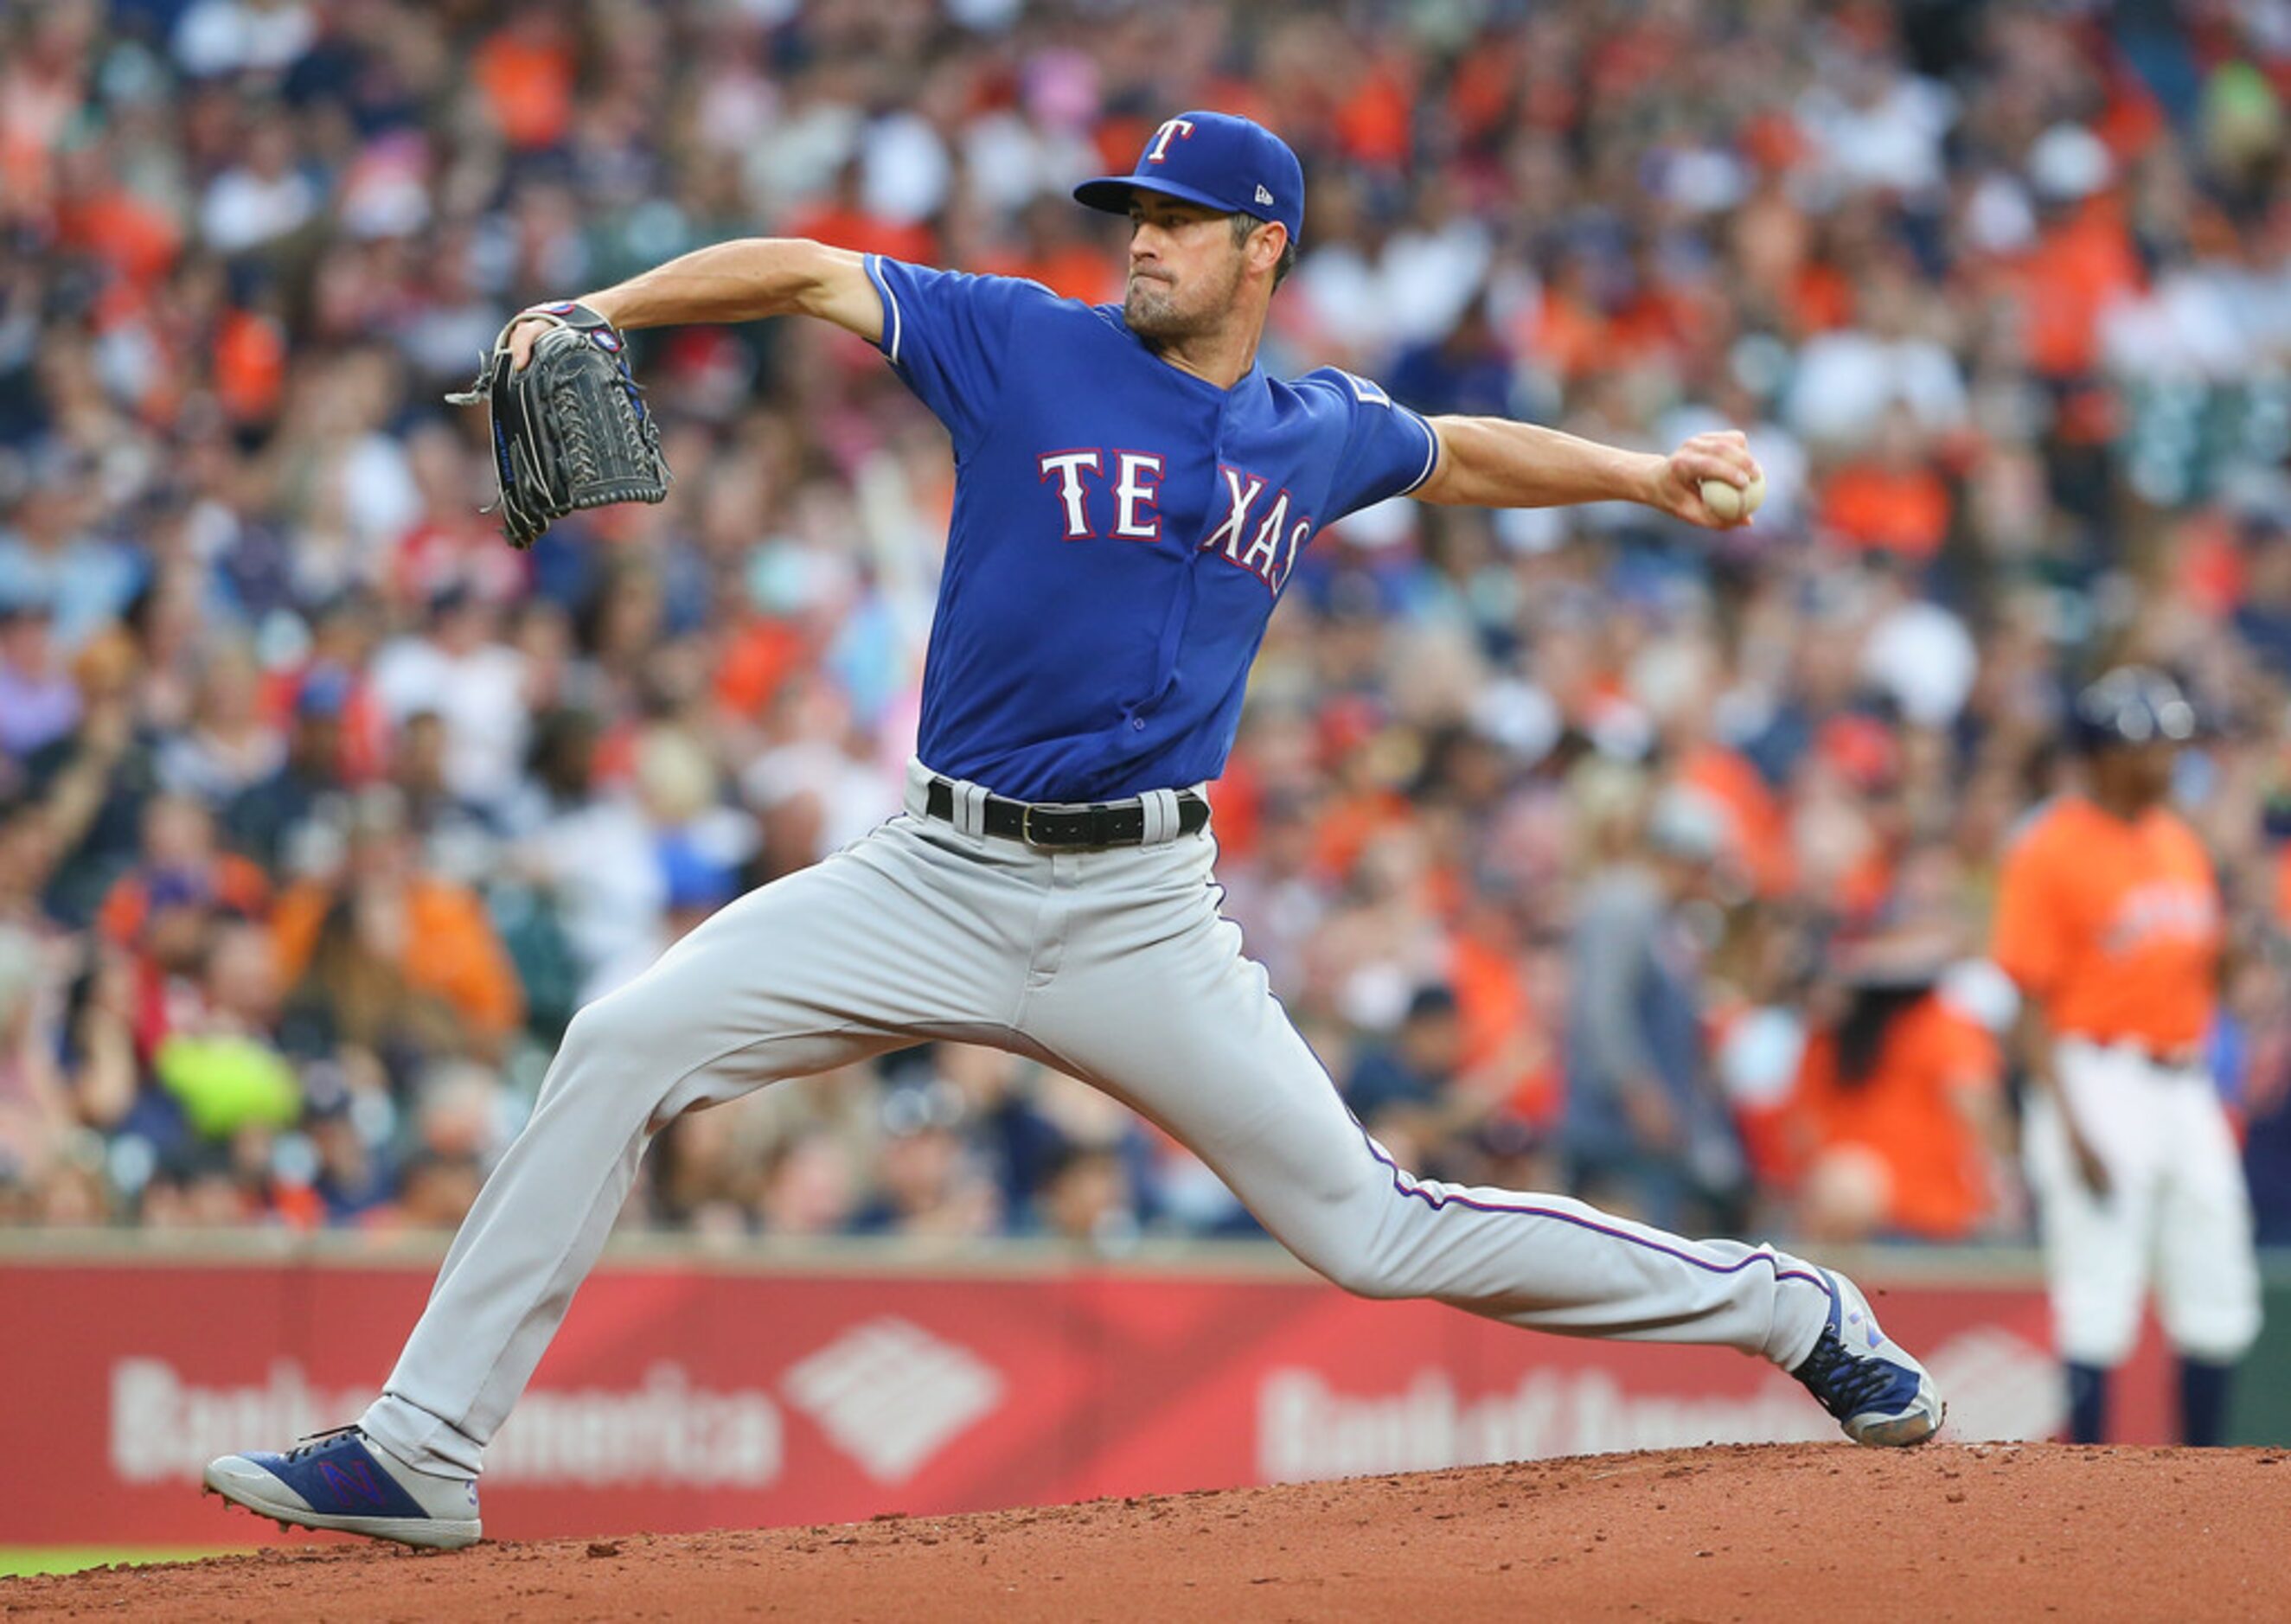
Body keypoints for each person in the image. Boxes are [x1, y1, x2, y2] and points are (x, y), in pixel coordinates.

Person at [203, 111, 1942, 1550]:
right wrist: (601, 303)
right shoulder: (1019, 340)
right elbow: (808, 269)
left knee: (1370, 1233)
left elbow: (1456, 452)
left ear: (1263, 248)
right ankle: (426, 1443)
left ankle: (1794, 1314)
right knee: (624, 1037)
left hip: (1141, 920)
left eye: (1180, 219)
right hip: (933, 873)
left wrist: (1637, 473)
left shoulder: (1305, 429)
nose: (1142, 239)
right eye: (1133, 212)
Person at [1989, 667, 2262, 1446]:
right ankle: (2092, 1498)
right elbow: (2028, 1009)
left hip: (2182, 1078)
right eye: (2154, 745)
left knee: (2217, 1285)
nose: (2170, 760)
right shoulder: (2049, 848)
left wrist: (2238, 951)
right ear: (2103, 754)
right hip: (2093, 1073)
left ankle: (2208, 1481)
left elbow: (2206, 974)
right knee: (2098, 1290)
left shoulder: (2178, 842)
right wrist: (2069, 1128)